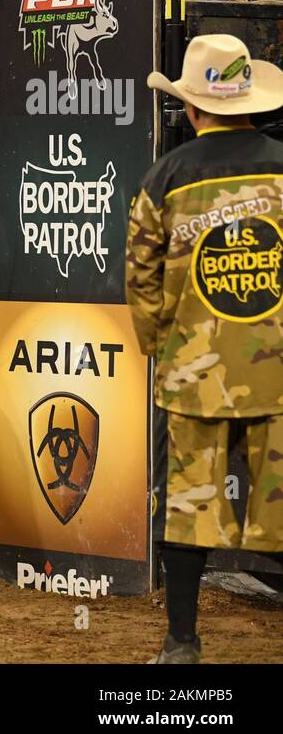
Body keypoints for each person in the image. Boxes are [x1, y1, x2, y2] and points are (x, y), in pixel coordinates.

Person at [127, 33, 283, 664]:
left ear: (191, 108)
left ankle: (182, 641)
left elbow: (140, 282)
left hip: (196, 375)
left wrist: (163, 350)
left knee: (189, 507)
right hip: (278, 375)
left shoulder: (164, 179)